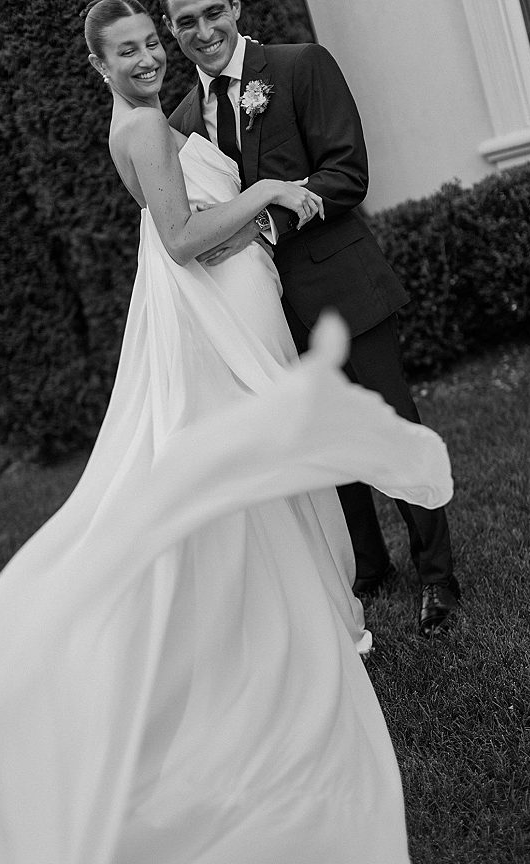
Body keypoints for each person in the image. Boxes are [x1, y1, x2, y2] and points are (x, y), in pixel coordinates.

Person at [0, 2, 453, 864]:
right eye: (126, 49)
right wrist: (262, 193)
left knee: (302, 449)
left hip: (262, 292)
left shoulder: (250, 84)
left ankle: (413, 581)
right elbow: (181, 240)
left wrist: (267, 207)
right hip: (228, 302)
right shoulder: (144, 127)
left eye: (147, 43)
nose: (146, 57)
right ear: (99, 64)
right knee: (280, 465)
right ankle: (304, 613)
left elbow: (323, 174)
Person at [164, 0, 462, 637]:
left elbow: (346, 171)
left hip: (341, 282)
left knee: (389, 423)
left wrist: (267, 224)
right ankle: (368, 562)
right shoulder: (182, 121)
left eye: (213, 11)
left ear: (235, 8)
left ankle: (437, 573)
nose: (203, 31)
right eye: (185, 21)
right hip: (264, 309)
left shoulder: (301, 67)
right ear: (171, 30)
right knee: (321, 440)